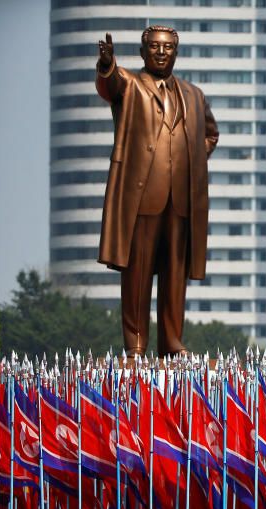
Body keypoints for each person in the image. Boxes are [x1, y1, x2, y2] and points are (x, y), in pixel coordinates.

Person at [94, 26, 219, 356]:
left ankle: (171, 342)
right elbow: (110, 86)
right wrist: (107, 66)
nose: (161, 53)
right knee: (137, 273)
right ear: (143, 52)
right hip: (143, 195)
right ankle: (135, 345)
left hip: (181, 200)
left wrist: (191, 158)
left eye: (167, 48)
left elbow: (210, 134)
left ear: (176, 53)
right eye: (154, 47)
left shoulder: (193, 94)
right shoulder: (131, 85)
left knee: (175, 275)